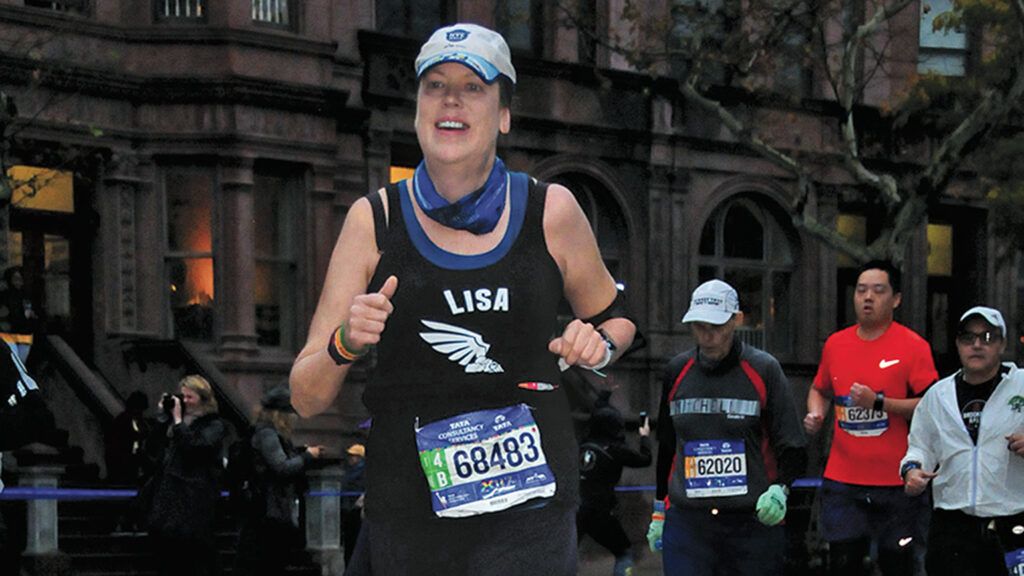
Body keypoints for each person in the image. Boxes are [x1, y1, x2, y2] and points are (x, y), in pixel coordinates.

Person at [290, 22, 636, 575]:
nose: (451, 99)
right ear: (418, 108)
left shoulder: (553, 211)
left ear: (503, 114)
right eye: (435, 85)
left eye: (474, 86)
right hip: (408, 511)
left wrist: (598, 345)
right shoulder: (373, 220)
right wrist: (345, 342)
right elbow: (305, 396)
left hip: (529, 509)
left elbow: (618, 321)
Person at [646, 279, 807, 575]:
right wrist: (659, 511)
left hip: (751, 524)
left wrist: (780, 490)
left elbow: (792, 444)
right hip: (688, 524)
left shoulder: (764, 370)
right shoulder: (676, 371)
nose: (707, 336)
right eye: (699, 326)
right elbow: (668, 445)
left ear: (737, 321)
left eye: (716, 326)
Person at [804, 260, 938, 575]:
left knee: (897, 564)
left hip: (896, 481)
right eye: (861, 290)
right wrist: (815, 412)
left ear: (896, 299)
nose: (867, 298)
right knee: (843, 563)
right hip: (843, 480)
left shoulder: (913, 346)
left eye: (878, 291)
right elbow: (819, 388)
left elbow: (931, 406)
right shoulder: (836, 344)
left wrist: (879, 404)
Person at [901, 306, 1024, 576]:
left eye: (988, 337)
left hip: (1013, 520)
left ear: (1002, 344)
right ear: (958, 344)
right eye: (968, 338)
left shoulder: (1021, 385)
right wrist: (911, 470)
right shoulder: (938, 395)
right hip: (952, 523)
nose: (977, 345)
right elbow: (920, 446)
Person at [234, 385, 322, 576]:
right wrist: (307, 456)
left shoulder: (265, 433)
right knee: (269, 562)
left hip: (266, 509)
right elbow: (281, 467)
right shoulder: (268, 434)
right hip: (268, 510)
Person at [144, 374, 226, 576]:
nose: (185, 401)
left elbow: (196, 448)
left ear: (203, 398)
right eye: (183, 396)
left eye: (190, 397)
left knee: (194, 560)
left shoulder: (213, 425)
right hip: (167, 499)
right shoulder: (173, 422)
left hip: (193, 501)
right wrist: (162, 417)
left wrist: (179, 422)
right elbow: (151, 448)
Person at [577, 391, 651, 576]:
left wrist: (604, 395)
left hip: (575, 508)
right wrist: (644, 436)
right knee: (624, 551)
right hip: (599, 511)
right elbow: (645, 459)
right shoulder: (616, 450)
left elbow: (597, 414)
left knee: (566, 553)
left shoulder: (583, 445)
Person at [0, 266, 38, 362]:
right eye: (15, 279)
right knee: (14, 363)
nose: (18, 282)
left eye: (20, 279)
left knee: (20, 364)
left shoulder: (27, 295)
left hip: (24, 334)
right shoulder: (3, 296)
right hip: (8, 334)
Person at [341, 443, 365, 566]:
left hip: (355, 510)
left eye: (354, 456)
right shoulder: (349, 471)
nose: (351, 458)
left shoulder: (361, 471)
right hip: (348, 509)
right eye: (350, 456)